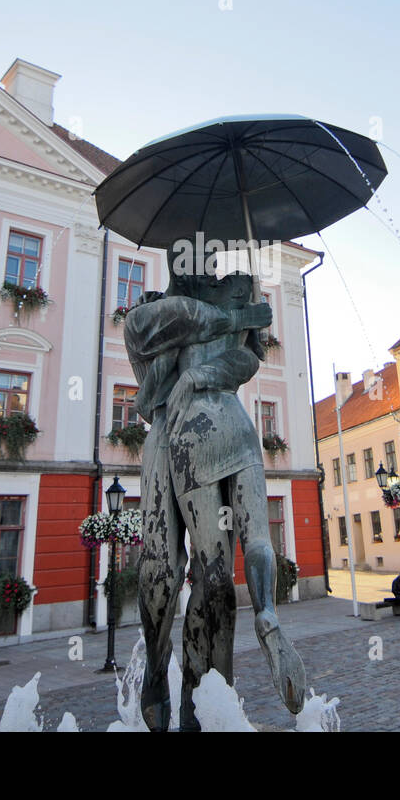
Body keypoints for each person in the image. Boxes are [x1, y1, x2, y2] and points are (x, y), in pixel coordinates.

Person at [124, 266, 306, 730]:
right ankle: (158, 669)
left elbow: (248, 359)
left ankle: (204, 690)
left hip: (218, 429)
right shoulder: (159, 309)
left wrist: (211, 363)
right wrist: (237, 316)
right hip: (169, 437)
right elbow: (152, 341)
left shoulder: (239, 294)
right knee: (163, 572)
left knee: (217, 579)